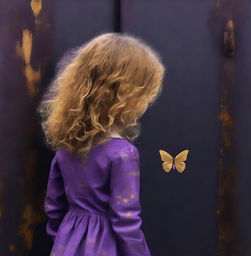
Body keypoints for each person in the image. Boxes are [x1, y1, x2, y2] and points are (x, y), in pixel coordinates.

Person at [37, 32, 165, 256]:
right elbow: (126, 221)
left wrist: (63, 240)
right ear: (125, 97)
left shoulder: (67, 147)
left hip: (67, 243)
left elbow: (54, 206)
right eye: (145, 94)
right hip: (106, 247)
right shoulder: (123, 154)